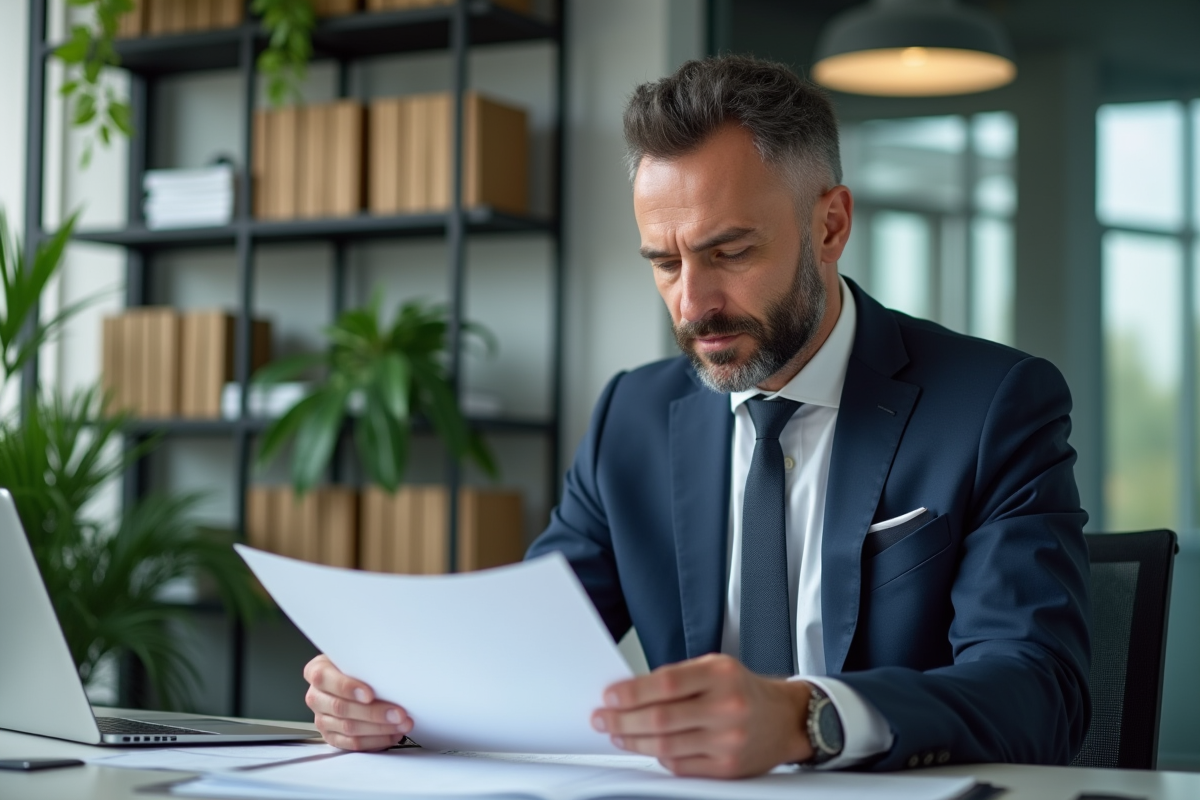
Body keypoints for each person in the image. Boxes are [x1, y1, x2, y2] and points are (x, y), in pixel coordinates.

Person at [300, 55, 1091, 778]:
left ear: (830, 226)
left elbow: (1039, 691)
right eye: (664, 261)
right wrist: (393, 696)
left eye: (730, 252)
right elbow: (527, 648)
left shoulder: (993, 404)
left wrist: (805, 719)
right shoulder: (633, 417)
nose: (692, 304)